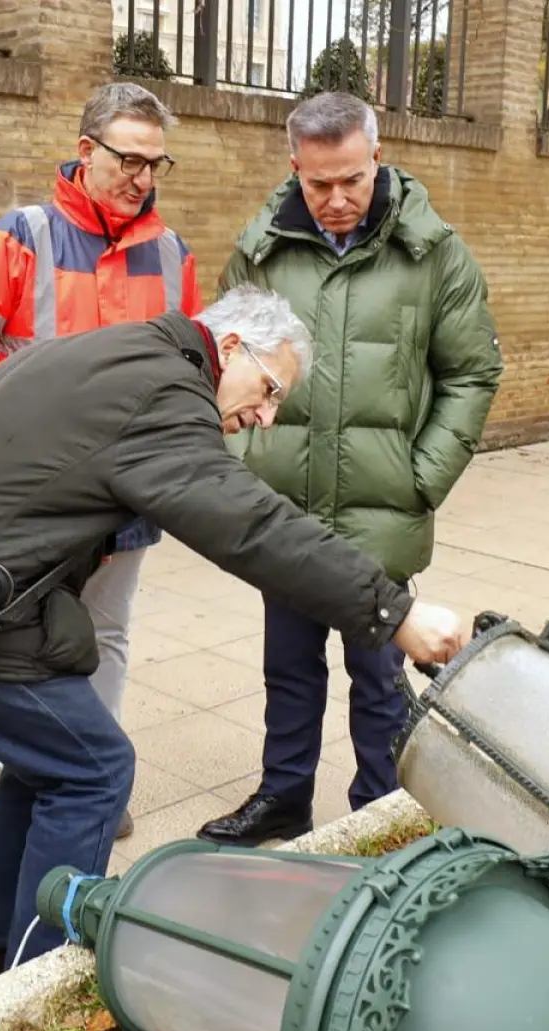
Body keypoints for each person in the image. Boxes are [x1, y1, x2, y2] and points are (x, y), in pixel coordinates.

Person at [0, 286, 470, 991]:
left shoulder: (121, 350)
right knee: (94, 770)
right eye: (270, 390)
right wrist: (394, 614)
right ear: (231, 348)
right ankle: (33, 987)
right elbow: (250, 526)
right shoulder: (166, 393)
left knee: (49, 760)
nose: (264, 417)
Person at [200, 92, 504, 847]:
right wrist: (248, 463)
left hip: (381, 508)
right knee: (288, 669)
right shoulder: (263, 248)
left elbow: (473, 373)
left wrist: (419, 477)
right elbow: (224, 360)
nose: (336, 200)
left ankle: (383, 811)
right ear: (294, 167)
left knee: (379, 680)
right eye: (317, 184)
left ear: (378, 157)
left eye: (351, 181)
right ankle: (283, 797)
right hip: (288, 506)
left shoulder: (433, 253)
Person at [0, 82, 204, 844]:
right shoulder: (19, 237)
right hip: (37, 499)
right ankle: (28, 791)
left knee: (106, 637)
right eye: (127, 159)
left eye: (155, 163)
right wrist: (35, 429)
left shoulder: (172, 253)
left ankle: (92, 781)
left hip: (127, 498)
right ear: (85, 151)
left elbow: (191, 372)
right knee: (30, 653)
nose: (140, 177)